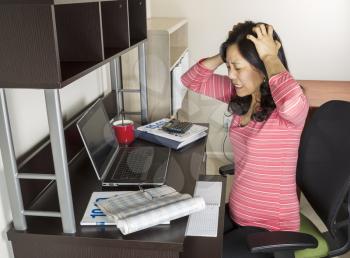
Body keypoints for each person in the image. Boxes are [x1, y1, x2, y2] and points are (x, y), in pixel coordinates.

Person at [181, 21, 309, 233]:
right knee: (187, 237)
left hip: (270, 230)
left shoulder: (286, 112)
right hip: (238, 217)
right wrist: (226, 55)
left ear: (261, 68)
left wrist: (270, 57)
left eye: (238, 68)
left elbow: (293, 102)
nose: (231, 75)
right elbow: (191, 80)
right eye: (229, 67)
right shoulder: (243, 96)